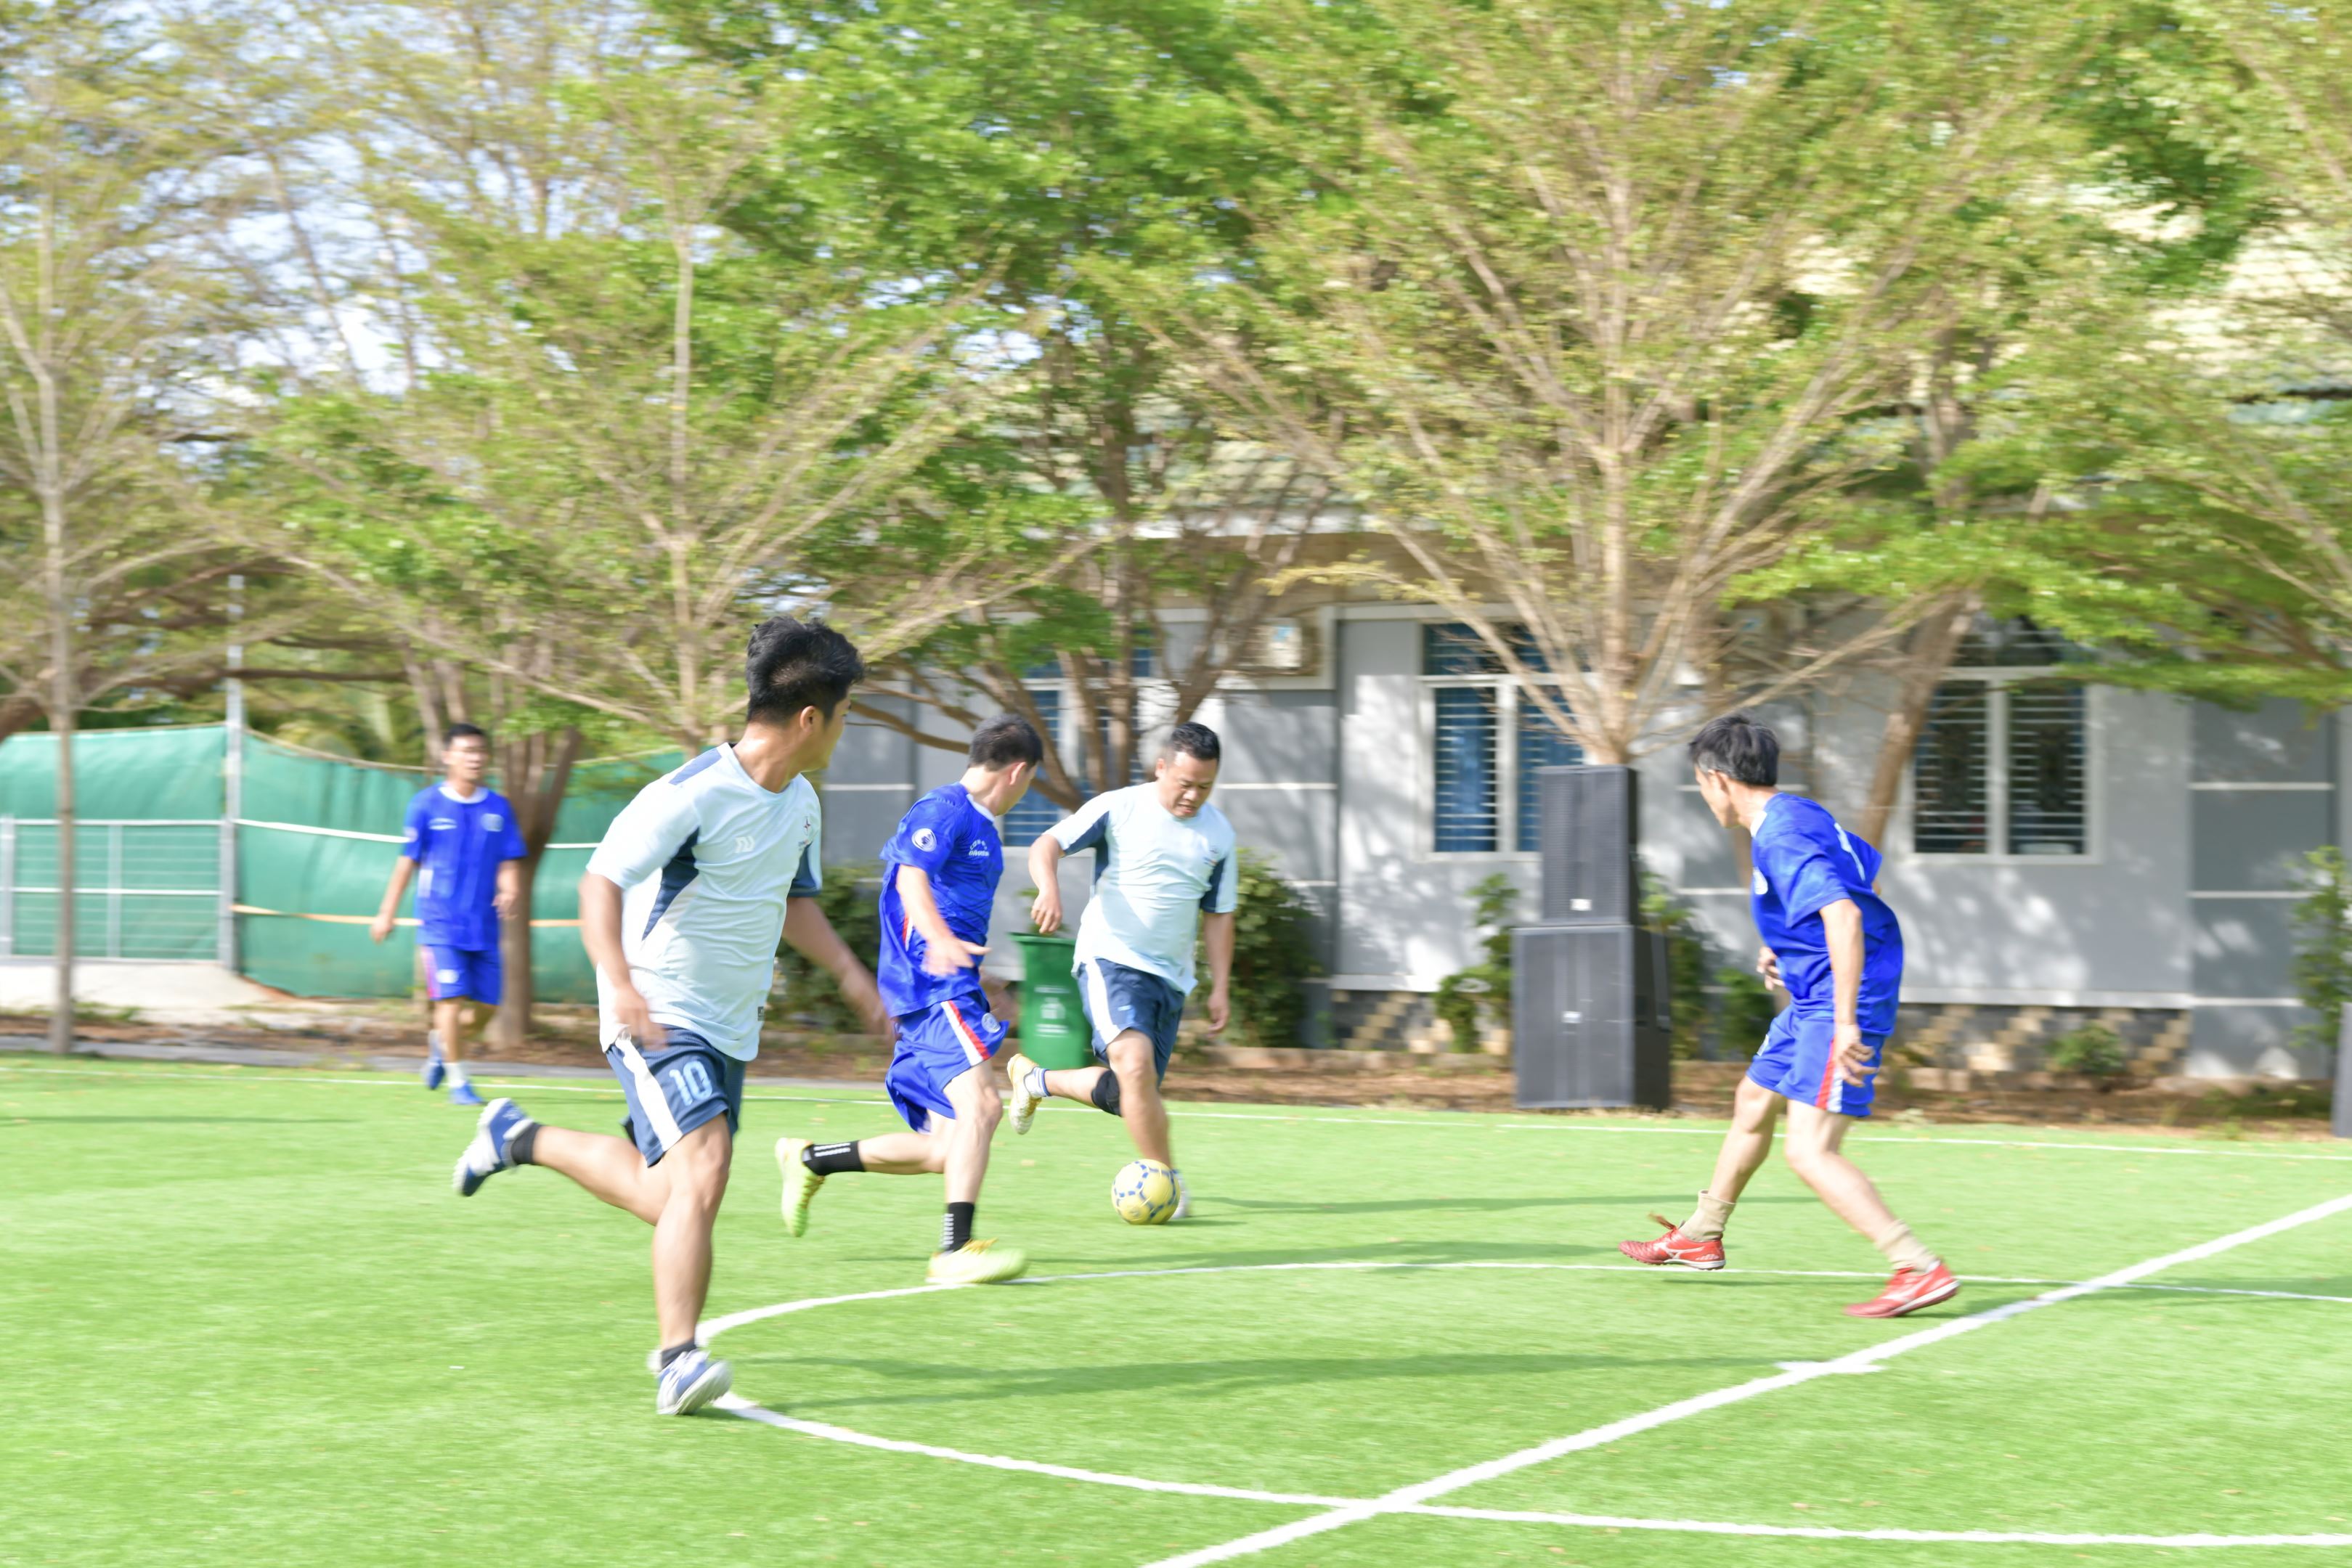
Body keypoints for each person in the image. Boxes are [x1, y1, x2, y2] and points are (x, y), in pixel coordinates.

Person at [448, 618, 887, 1416]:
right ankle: (678, 1359)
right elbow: (599, 882)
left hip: (729, 1027)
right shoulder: (690, 793)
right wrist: (618, 983)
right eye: (845, 713)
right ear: (809, 718)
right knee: (705, 1168)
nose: (845, 729)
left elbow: (793, 902)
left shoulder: (799, 804)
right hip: (656, 1010)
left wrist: (852, 976)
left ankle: (518, 1137)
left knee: (672, 1194)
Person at [1619, 713, 1956, 1318]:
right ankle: (1701, 1233)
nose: (1702, 797)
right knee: (1752, 1101)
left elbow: (1845, 916)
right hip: (1813, 995)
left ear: (1717, 779)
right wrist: (1788, 945)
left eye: (1699, 784)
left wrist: (1847, 1022)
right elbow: (1865, 882)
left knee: (1809, 1151)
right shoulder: (1796, 814)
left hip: (1838, 1003)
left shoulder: (1779, 836)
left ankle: (1916, 1268)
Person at [776, 713, 1043, 1284]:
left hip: (950, 989)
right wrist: (941, 942)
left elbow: (946, 907)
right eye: (1030, 783)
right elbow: (909, 879)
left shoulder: (980, 827)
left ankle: (810, 1160)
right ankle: (954, 1250)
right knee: (983, 1108)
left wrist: (980, 975)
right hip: (931, 990)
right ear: (1018, 772)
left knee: (945, 1149)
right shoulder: (944, 808)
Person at [1001, 722, 1237, 1220]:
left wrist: (1221, 986)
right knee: (1134, 1066)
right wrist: (1049, 888)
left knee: (1126, 1092)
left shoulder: (1219, 834)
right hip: (1110, 959)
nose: (1193, 796)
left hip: (1170, 979)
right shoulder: (1119, 807)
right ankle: (1167, 1183)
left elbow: (1219, 915)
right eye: (1185, 784)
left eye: (1205, 787)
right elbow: (1048, 844)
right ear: (1161, 768)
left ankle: (1036, 1080)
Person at [370, 722, 526, 1106]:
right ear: (448, 756)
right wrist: (386, 913)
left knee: (487, 1009)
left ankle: (442, 1045)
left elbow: (509, 858)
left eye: (480, 751)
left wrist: (509, 888)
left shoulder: (498, 807)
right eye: (467, 751)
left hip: (484, 927)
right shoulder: (425, 804)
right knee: (451, 1002)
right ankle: (460, 1083)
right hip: (439, 923)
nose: (475, 758)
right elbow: (407, 862)